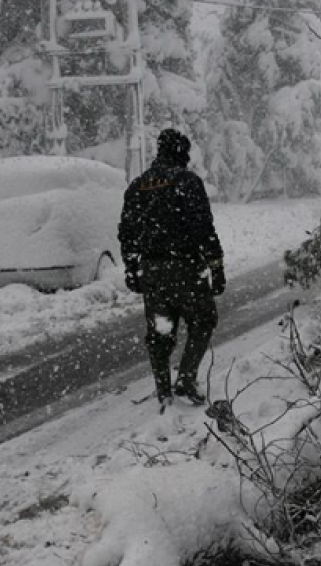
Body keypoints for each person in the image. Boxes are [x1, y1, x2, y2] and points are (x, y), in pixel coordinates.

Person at [118, 129, 225, 411]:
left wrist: (132, 268)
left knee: (160, 332)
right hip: (185, 267)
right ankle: (187, 379)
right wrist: (216, 265)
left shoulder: (137, 187)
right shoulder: (188, 183)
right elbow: (204, 229)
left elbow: (126, 233)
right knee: (203, 320)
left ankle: (163, 390)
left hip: (151, 270)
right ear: (181, 153)